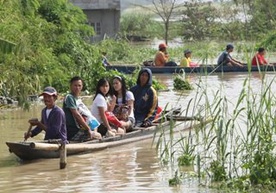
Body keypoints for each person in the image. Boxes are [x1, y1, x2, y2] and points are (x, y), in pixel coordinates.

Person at [63, 76, 101, 142]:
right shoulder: (69, 97)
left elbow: (87, 115)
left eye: (79, 85)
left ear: (82, 86)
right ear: (70, 86)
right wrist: (88, 129)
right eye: (75, 85)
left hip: (78, 129)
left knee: (95, 130)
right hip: (72, 131)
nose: (77, 88)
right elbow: (77, 115)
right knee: (98, 136)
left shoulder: (77, 99)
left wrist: (90, 128)